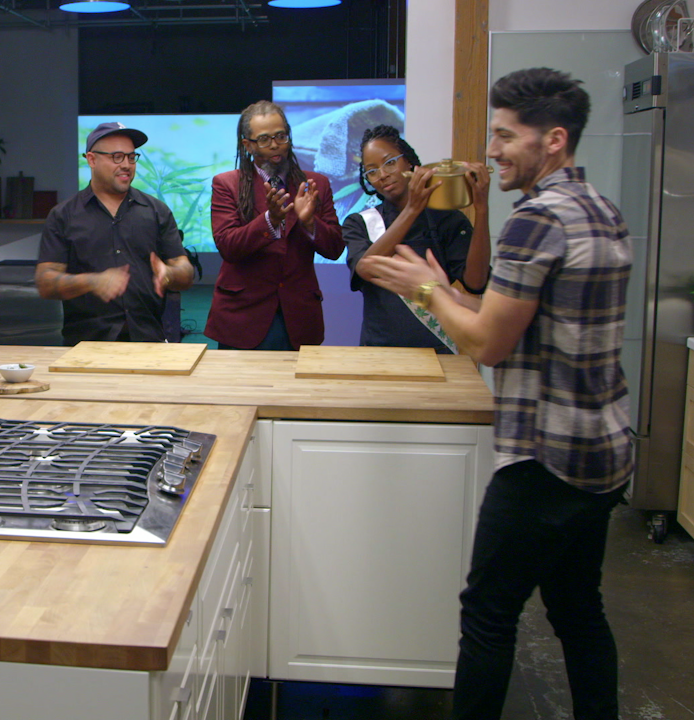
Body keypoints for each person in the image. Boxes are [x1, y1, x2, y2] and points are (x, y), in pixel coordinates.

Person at [366, 68, 632, 720]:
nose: (492, 150)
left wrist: (424, 290)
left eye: (507, 136)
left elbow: (487, 344)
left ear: (555, 140)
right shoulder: (599, 207)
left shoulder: (535, 221)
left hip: (545, 458)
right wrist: (446, 290)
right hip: (603, 452)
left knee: (487, 614)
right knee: (578, 609)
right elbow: (525, 322)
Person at [36, 122, 194, 344]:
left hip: (149, 342)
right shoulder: (64, 215)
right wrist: (91, 281)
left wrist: (169, 274)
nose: (127, 165)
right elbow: (45, 281)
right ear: (91, 160)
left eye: (131, 157)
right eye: (117, 157)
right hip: (85, 344)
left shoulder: (156, 211)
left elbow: (184, 269)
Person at [205, 100, 344, 350]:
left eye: (281, 136)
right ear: (247, 145)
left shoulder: (316, 184)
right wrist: (271, 220)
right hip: (244, 317)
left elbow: (334, 248)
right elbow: (228, 246)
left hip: (300, 316)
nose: (275, 145)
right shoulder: (227, 184)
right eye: (265, 139)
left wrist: (310, 222)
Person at [344, 125, 491, 353]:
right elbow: (367, 269)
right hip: (379, 350)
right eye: (372, 171)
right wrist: (412, 209)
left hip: (439, 349)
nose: (382, 175)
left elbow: (476, 282)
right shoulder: (360, 222)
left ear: (410, 162)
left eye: (390, 162)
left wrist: (482, 210)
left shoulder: (447, 219)